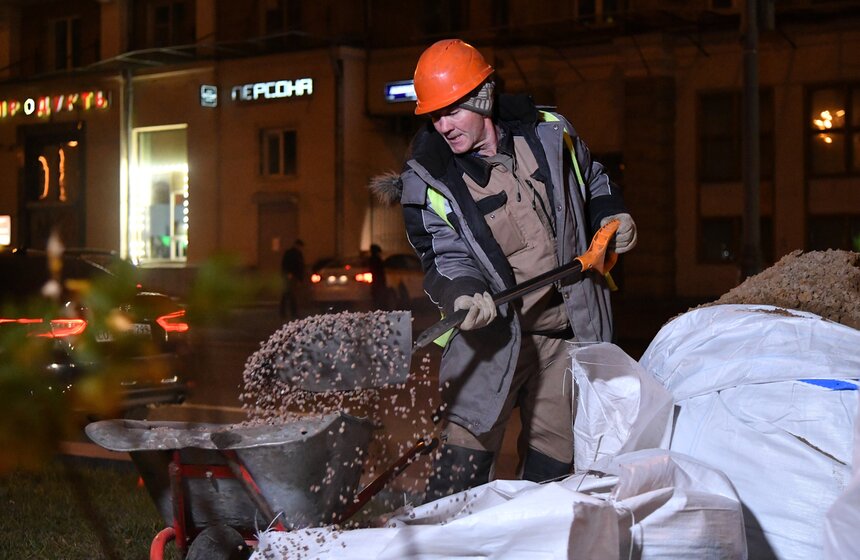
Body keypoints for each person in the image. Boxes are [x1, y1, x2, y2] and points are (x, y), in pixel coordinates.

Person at [373, 39, 638, 501]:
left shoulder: (551, 133)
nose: (442, 125)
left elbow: (592, 178)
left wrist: (612, 216)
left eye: (451, 111)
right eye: (434, 116)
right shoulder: (429, 179)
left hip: (566, 335)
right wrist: (464, 293)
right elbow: (443, 257)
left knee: (552, 472)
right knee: (459, 471)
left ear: (481, 98)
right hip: (490, 339)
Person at [279, 238, 305, 319]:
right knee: (290, 294)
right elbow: (287, 264)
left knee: (289, 294)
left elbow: (300, 267)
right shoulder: (292, 253)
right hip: (290, 276)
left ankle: (287, 312)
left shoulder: (297, 254)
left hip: (293, 277)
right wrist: (288, 274)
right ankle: (290, 312)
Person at [368, 243, 389, 310]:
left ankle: (378, 309)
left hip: (376, 282)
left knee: (377, 298)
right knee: (380, 299)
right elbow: (381, 271)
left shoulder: (372, 259)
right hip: (378, 282)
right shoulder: (377, 260)